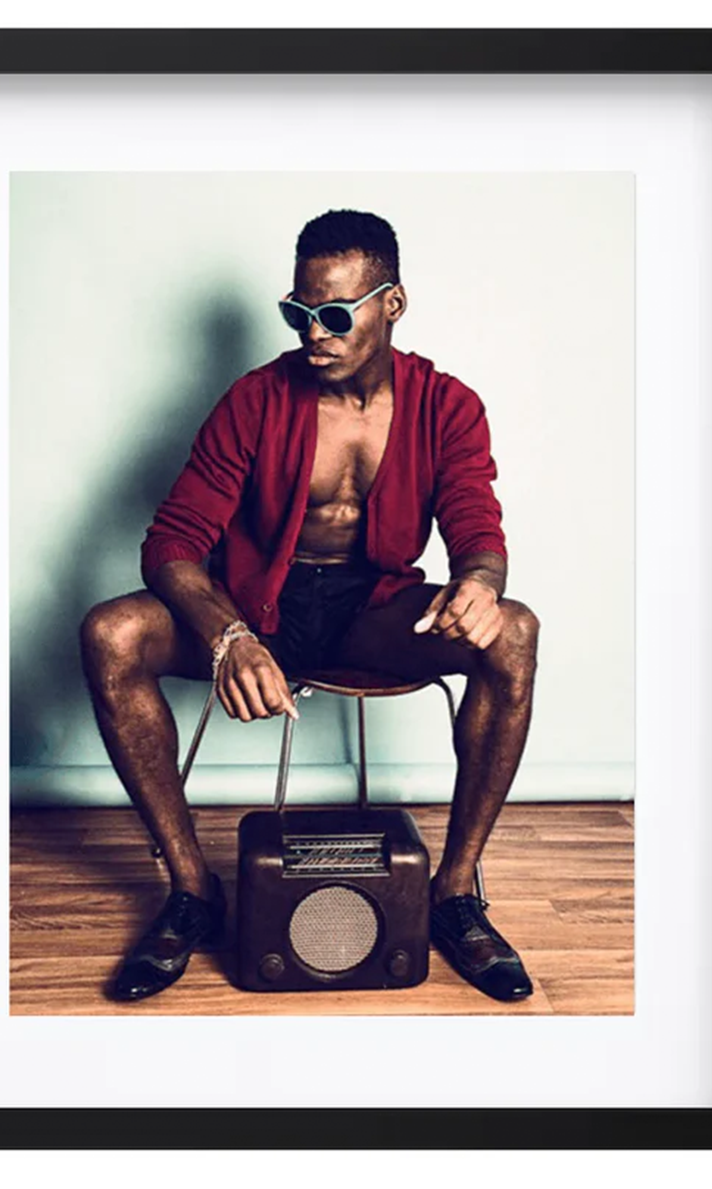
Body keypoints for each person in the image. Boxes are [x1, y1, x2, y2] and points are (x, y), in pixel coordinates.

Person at [79, 209, 539, 1003]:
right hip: (259, 607)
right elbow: (172, 543)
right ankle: (193, 890)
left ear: (391, 304)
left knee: (515, 634)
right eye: (299, 313)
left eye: (334, 314)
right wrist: (228, 636)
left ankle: (455, 893)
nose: (314, 334)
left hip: (375, 609)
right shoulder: (256, 400)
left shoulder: (447, 405)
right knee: (110, 633)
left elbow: (474, 519)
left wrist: (480, 582)